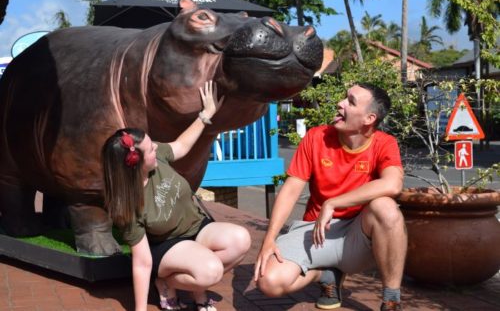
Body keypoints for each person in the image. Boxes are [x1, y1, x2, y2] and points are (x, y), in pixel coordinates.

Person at [254, 83, 407, 311]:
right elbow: (291, 190)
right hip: (316, 231)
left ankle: (391, 299)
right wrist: (269, 240)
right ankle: (324, 274)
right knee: (269, 282)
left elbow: (393, 184)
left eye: (350, 102)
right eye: (344, 97)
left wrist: (333, 203)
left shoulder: (384, 143)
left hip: (357, 238)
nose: (340, 103)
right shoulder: (316, 137)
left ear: (369, 118)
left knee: (386, 207)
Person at [102, 81, 251, 311]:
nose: (156, 149)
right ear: (135, 164)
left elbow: (181, 145)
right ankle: (166, 281)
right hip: (166, 246)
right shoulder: (128, 205)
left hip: (196, 227)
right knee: (211, 271)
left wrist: (206, 114)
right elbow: (141, 262)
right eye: (151, 150)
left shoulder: (155, 158)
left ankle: (196, 286)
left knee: (241, 240)